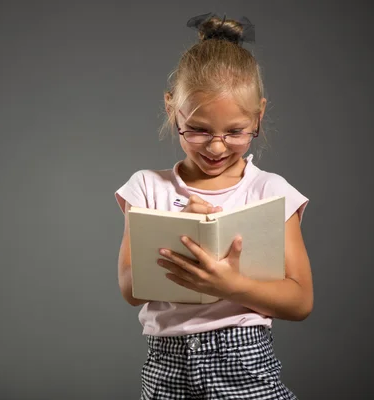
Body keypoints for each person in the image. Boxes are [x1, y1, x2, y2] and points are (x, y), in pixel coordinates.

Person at [114, 13, 313, 400]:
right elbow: (129, 289)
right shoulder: (145, 187)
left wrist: (230, 285)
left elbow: (301, 300)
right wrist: (179, 236)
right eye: (199, 129)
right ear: (172, 109)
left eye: (236, 132)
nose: (217, 147)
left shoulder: (271, 191)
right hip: (167, 366)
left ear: (259, 116)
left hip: (245, 365)